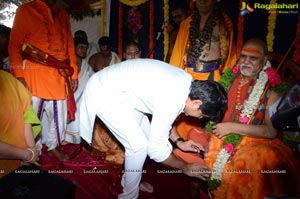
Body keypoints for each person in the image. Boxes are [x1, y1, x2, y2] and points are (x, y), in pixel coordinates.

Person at [80, 58, 228, 199]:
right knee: (139, 147)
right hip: (104, 92)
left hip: (123, 94)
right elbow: (156, 150)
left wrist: (179, 142)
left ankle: (130, 183)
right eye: (202, 115)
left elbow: (166, 122)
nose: (199, 118)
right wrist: (185, 167)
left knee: (141, 142)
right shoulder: (172, 100)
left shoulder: (187, 83)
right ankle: (129, 196)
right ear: (196, 103)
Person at [176, 38, 300, 198]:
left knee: (252, 161)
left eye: (253, 58)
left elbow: (270, 131)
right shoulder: (228, 79)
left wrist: (232, 128)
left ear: (263, 62)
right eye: (243, 56)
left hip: (254, 141)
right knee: (193, 134)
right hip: (220, 132)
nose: (246, 61)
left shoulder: (271, 90)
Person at [8, 0, 78, 161]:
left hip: (59, 74)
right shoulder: (25, 10)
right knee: (32, 116)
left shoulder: (62, 14)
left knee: (60, 116)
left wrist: (73, 73)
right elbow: (14, 46)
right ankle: (31, 149)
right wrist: (19, 75)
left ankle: (53, 146)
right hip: (34, 74)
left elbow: (70, 46)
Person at [169, 0, 237, 141]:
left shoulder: (224, 22)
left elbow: (230, 54)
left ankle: (208, 152)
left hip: (213, 76)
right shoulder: (186, 23)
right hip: (189, 75)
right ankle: (181, 147)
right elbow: (177, 53)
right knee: (184, 117)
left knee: (210, 117)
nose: (203, 1)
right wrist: (174, 77)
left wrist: (228, 79)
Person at [0, 70, 41, 178]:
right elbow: (27, 118)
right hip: (20, 160)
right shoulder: (9, 79)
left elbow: (26, 117)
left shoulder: (9, 80)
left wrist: (30, 153)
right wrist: (29, 153)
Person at [65, 37, 94, 144]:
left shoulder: (86, 66)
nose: (84, 50)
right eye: (81, 47)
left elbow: (93, 79)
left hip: (80, 103)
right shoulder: (66, 62)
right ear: (73, 48)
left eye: (86, 48)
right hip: (65, 100)